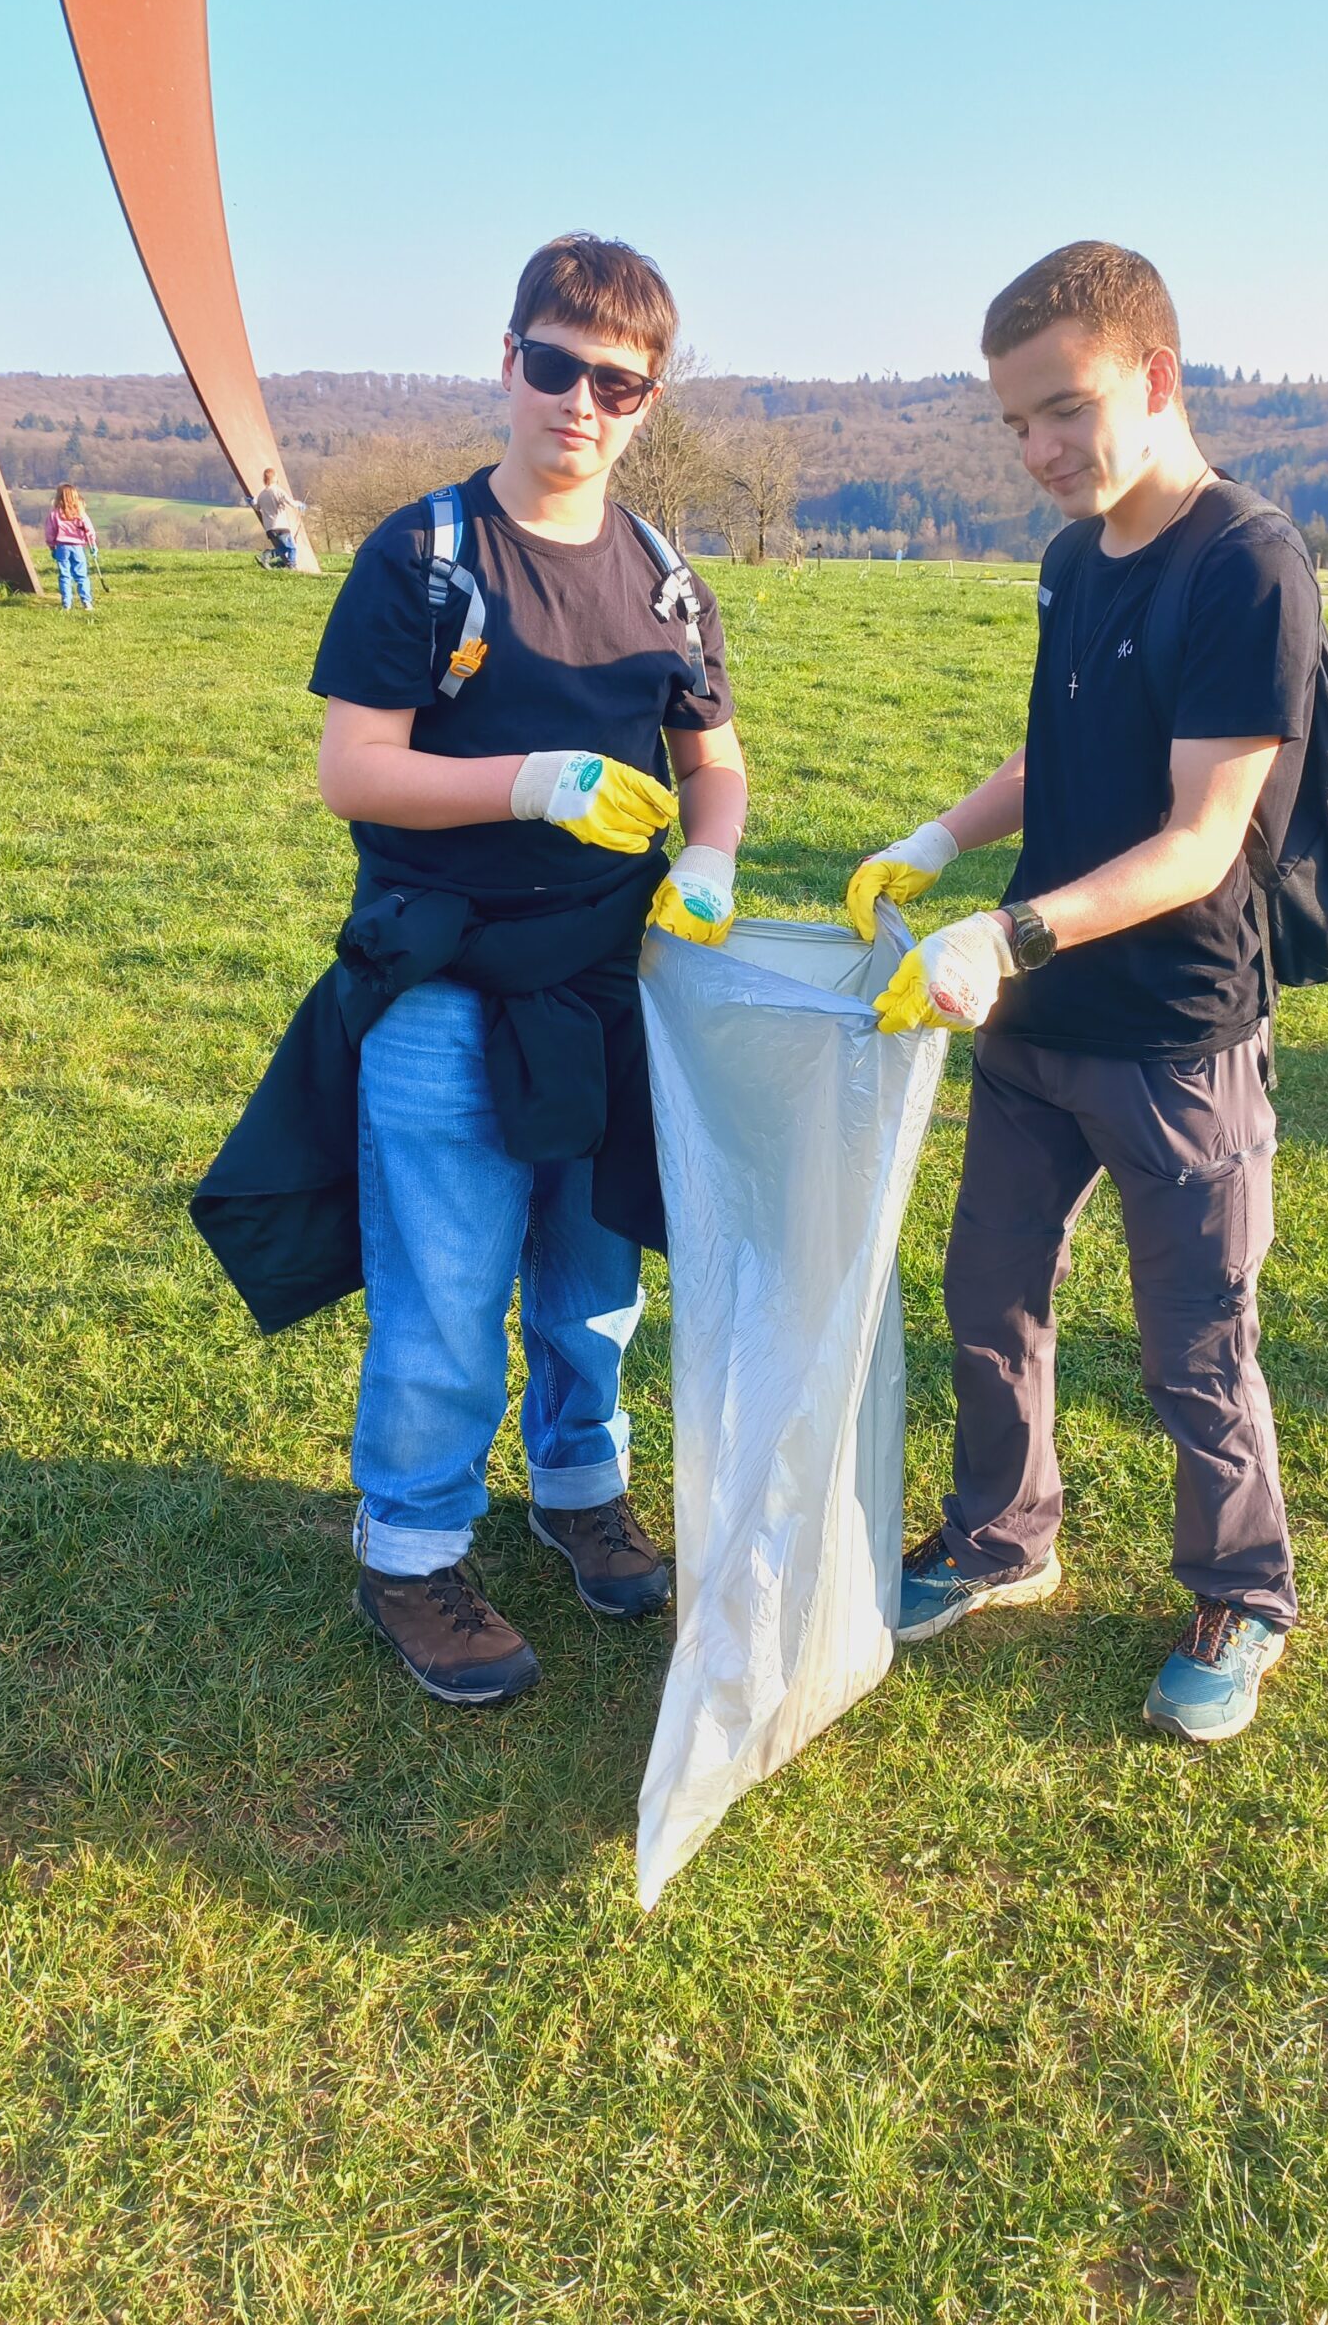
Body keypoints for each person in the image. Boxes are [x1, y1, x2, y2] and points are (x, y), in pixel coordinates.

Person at [849, 241, 1320, 1744]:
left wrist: (1006, 935)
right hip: (1037, 1027)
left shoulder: (1246, 563)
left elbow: (1201, 838)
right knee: (989, 1294)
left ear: (1155, 377)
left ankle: (1243, 1593)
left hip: (1175, 1033)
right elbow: (1061, 748)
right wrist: (939, 839)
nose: (1040, 450)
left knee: (1196, 1340)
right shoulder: (1074, 559)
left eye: (1065, 409)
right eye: (1015, 423)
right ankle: (1006, 1537)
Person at [307, 233, 747, 1709]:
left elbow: (715, 761)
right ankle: (412, 1553)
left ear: (649, 403)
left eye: (617, 384)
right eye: (556, 366)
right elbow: (353, 768)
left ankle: (579, 1489)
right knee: (446, 1290)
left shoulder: (666, 580)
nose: (581, 403)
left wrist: (709, 856)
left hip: (608, 986)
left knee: (592, 1271)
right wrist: (529, 782)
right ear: (508, 361)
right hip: (445, 977)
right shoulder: (426, 554)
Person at [43, 483, 96, 609]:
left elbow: (50, 533)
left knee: (65, 575)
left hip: (62, 547)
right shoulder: (80, 514)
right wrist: (93, 544)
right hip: (78, 547)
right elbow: (89, 530)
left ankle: (66, 603)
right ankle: (86, 602)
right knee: (81, 575)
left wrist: (52, 547)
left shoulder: (55, 514)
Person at [253, 467, 304, 568]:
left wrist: (253, 501)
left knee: (283, 548)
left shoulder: (262, 495)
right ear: (274, 478)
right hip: (281, 525)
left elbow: (257, 507)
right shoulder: (278, 491)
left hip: (269, 528)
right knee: (291, 548)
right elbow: (291, 503)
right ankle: (290, 565)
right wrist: (300, 504)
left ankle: (279, 561)